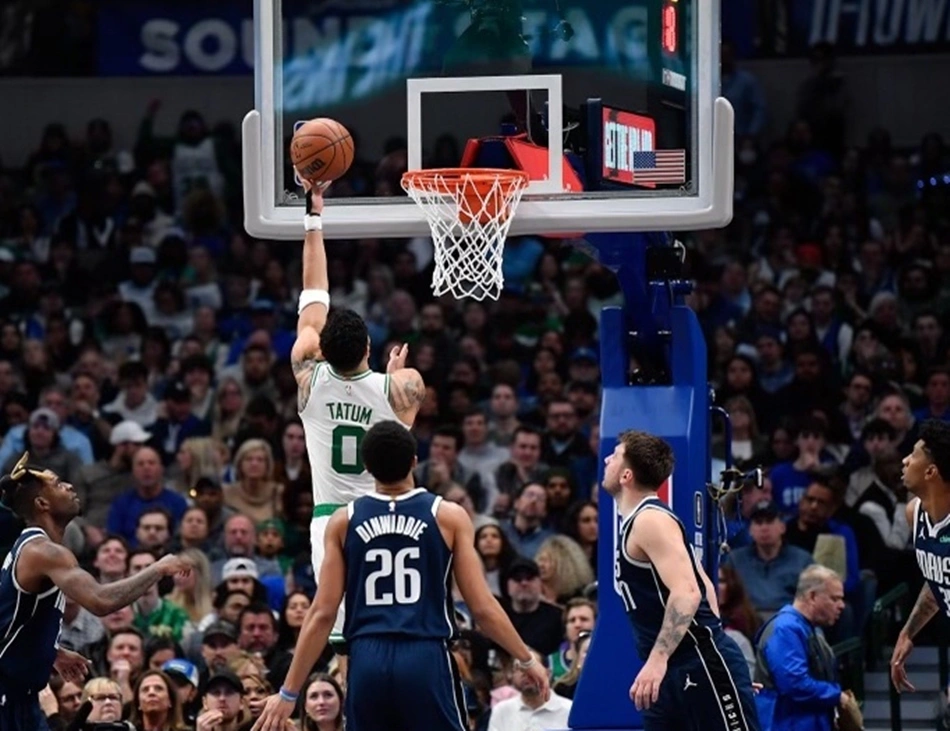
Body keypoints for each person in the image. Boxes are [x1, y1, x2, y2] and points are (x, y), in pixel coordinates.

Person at [252, 421, 549, 731]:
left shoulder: (343, 521)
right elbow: (482, 608)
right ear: (414, 462)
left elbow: (322, 613)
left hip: (366, 657)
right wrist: (526, 659)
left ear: (367, 467)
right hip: (424, 653)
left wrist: (288, 691)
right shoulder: (447, 516)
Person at [290, 181, 426, 643]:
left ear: (321, 349)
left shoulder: (308, 376)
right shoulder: (404, 387)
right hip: (385, 515)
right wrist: (392, 377)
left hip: (328, 519)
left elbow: (314, 294)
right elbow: (400, 442)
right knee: (391, 631)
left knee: (344, 639)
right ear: (370, 346)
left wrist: (314, 215)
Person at [0, 452, 191, 731]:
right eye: (57, 484)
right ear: (42, 503)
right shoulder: (43, 551)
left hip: (21, 697)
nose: (69, 486)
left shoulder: (31, 550)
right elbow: (101, 601)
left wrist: (50, 650)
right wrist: (158, 569)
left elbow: (11, 620)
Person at [603, 430, 760, 731]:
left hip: (688, 659)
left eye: (616, 454)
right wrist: (720, 666)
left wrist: (708, 661)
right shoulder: (645, 521)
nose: (607, 459)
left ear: (626, 475)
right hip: (683, 666)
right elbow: (706, 586)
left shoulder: (650, 520)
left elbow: (688, 592)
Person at [754, 565, 856, 731]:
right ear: (812, 596)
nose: (842, 606)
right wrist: (837, 696)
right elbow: (794, 684)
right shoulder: (785, 629)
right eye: (834, 599)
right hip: (787, 724)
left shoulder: (808, 629)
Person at [891, 419, 950, 693]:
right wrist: (908, 632)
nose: (904, 460)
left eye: (913, 455)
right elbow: (939, 580)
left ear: (930, 472)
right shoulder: (914, 513)